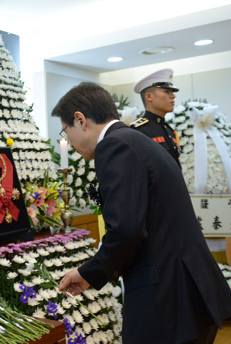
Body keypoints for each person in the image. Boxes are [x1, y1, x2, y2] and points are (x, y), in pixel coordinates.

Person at [53, 82, 231, 344]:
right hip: (187, 289)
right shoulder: (135, 140)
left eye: (66, 131)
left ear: (80, 120)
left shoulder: (115, 146)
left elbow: (126, 228)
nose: (69, 142)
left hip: (167, 296)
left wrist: (90, 272)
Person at [130, 68, 181, 167]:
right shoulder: (137, 131)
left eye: (172, 92)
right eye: (167, 92)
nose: (173, 96)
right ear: (149, 96)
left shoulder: (169, 130)